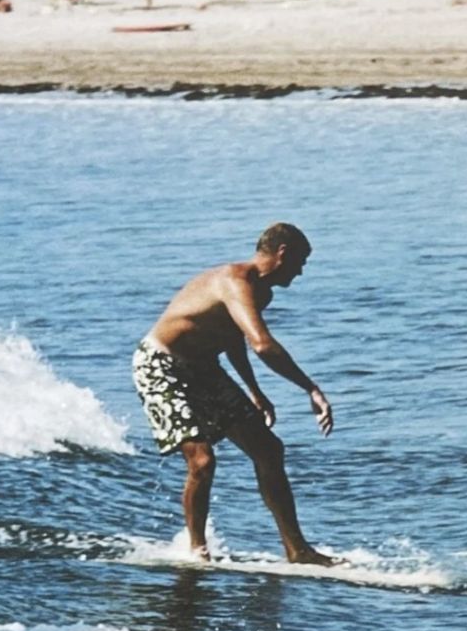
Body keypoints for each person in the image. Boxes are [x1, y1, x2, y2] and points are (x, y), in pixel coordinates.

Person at [132, 223, 334, 564]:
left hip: (204, 369)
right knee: (203, 459)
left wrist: (255, 392)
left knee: (269, 450)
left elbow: (232, 337)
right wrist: (310, 388)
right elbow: (262, 344)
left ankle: (297, 550)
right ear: (282, 253)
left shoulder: (262, 292)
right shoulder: (234, 281)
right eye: (300, 262)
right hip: (161, 366)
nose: (301, 272)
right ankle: (197, 552)